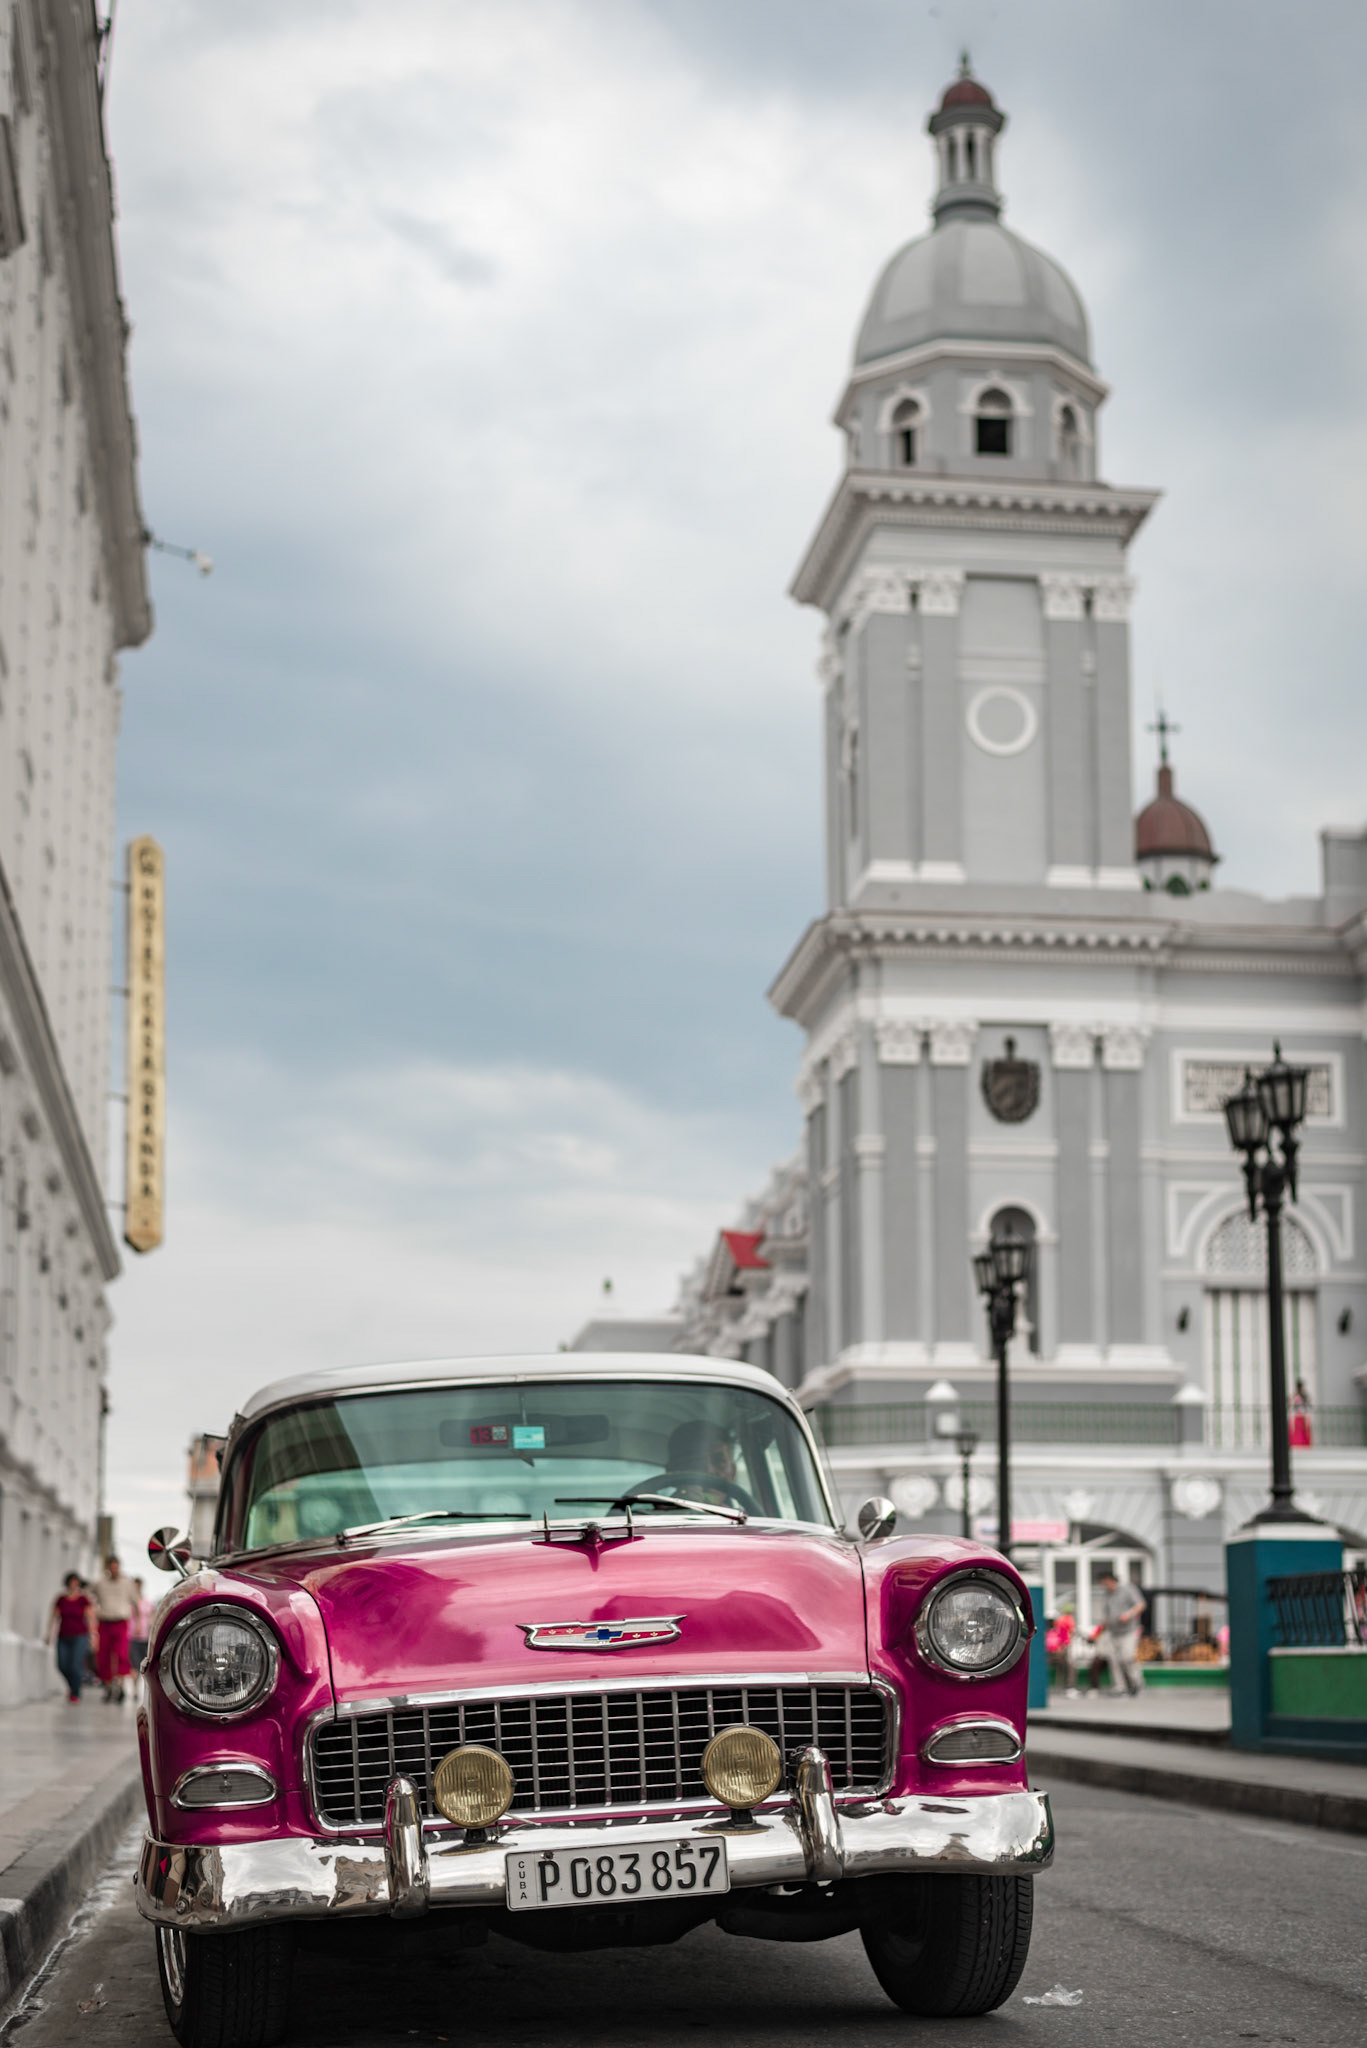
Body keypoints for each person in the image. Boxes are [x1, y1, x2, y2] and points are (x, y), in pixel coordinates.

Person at [1092, 1571, 1146, 1698]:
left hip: (1129, 1631)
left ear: (1111, 1580)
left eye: (1105, 1582)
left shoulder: (1127, 1590)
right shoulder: (1106, 1595)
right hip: (1112, 1631)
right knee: (1114, 1661)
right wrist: (1098, 1632)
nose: (1104, 1585)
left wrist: (1128, 1615)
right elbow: (1106, 1616)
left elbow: (1141, 1605)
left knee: (1127, 1658)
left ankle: (1137, 1684)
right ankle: (1120, 1687)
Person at [91, 1555, 137, 1702]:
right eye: (111, 1566)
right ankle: (108, 1686)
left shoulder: (127, 1583)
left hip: (121, 1622)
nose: (114, 1569)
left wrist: (138, 1626)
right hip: (104, 1622)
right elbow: (89, 1599)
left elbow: (136, 1604)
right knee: (103, 1655)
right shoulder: (100, 1583)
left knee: (121, 1654)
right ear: (108, 1567)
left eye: (116, 1566)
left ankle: (120, 1685)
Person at [49, 1573, 95, 1703]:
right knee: (62, 1665)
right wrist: (49, 1634)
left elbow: (90, 1618)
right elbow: (53, 1618)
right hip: (63, 1636)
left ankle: (75, 1692)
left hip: (80, 1637)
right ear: (67, 1583)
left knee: (75, 1665)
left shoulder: (83, 1599)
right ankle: (72, 1686)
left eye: (76, 1582)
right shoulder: (61, 1599)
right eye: (71, 1581)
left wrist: (93, 1636)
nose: (74, 1584)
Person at [128, 1576, 152, 1681]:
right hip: (131, 1636)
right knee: (134, 1663)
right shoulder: (129, 1602)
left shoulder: (146, 1602)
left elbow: (151, 1617)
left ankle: (137, 1687)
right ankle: (134, 1689)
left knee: (142, 1664)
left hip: (144, 1636)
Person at [1289, 1380, 1313, 1448]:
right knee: (1297, 1431)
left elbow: (1308, 1405)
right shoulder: (1295, 1395)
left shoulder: (1304, 1396)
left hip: (1303, 1416)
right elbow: (1292, 1405)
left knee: (1304, 1431)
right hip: (1297, 1416)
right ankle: (1296, 1443)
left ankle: (1304, 1444)